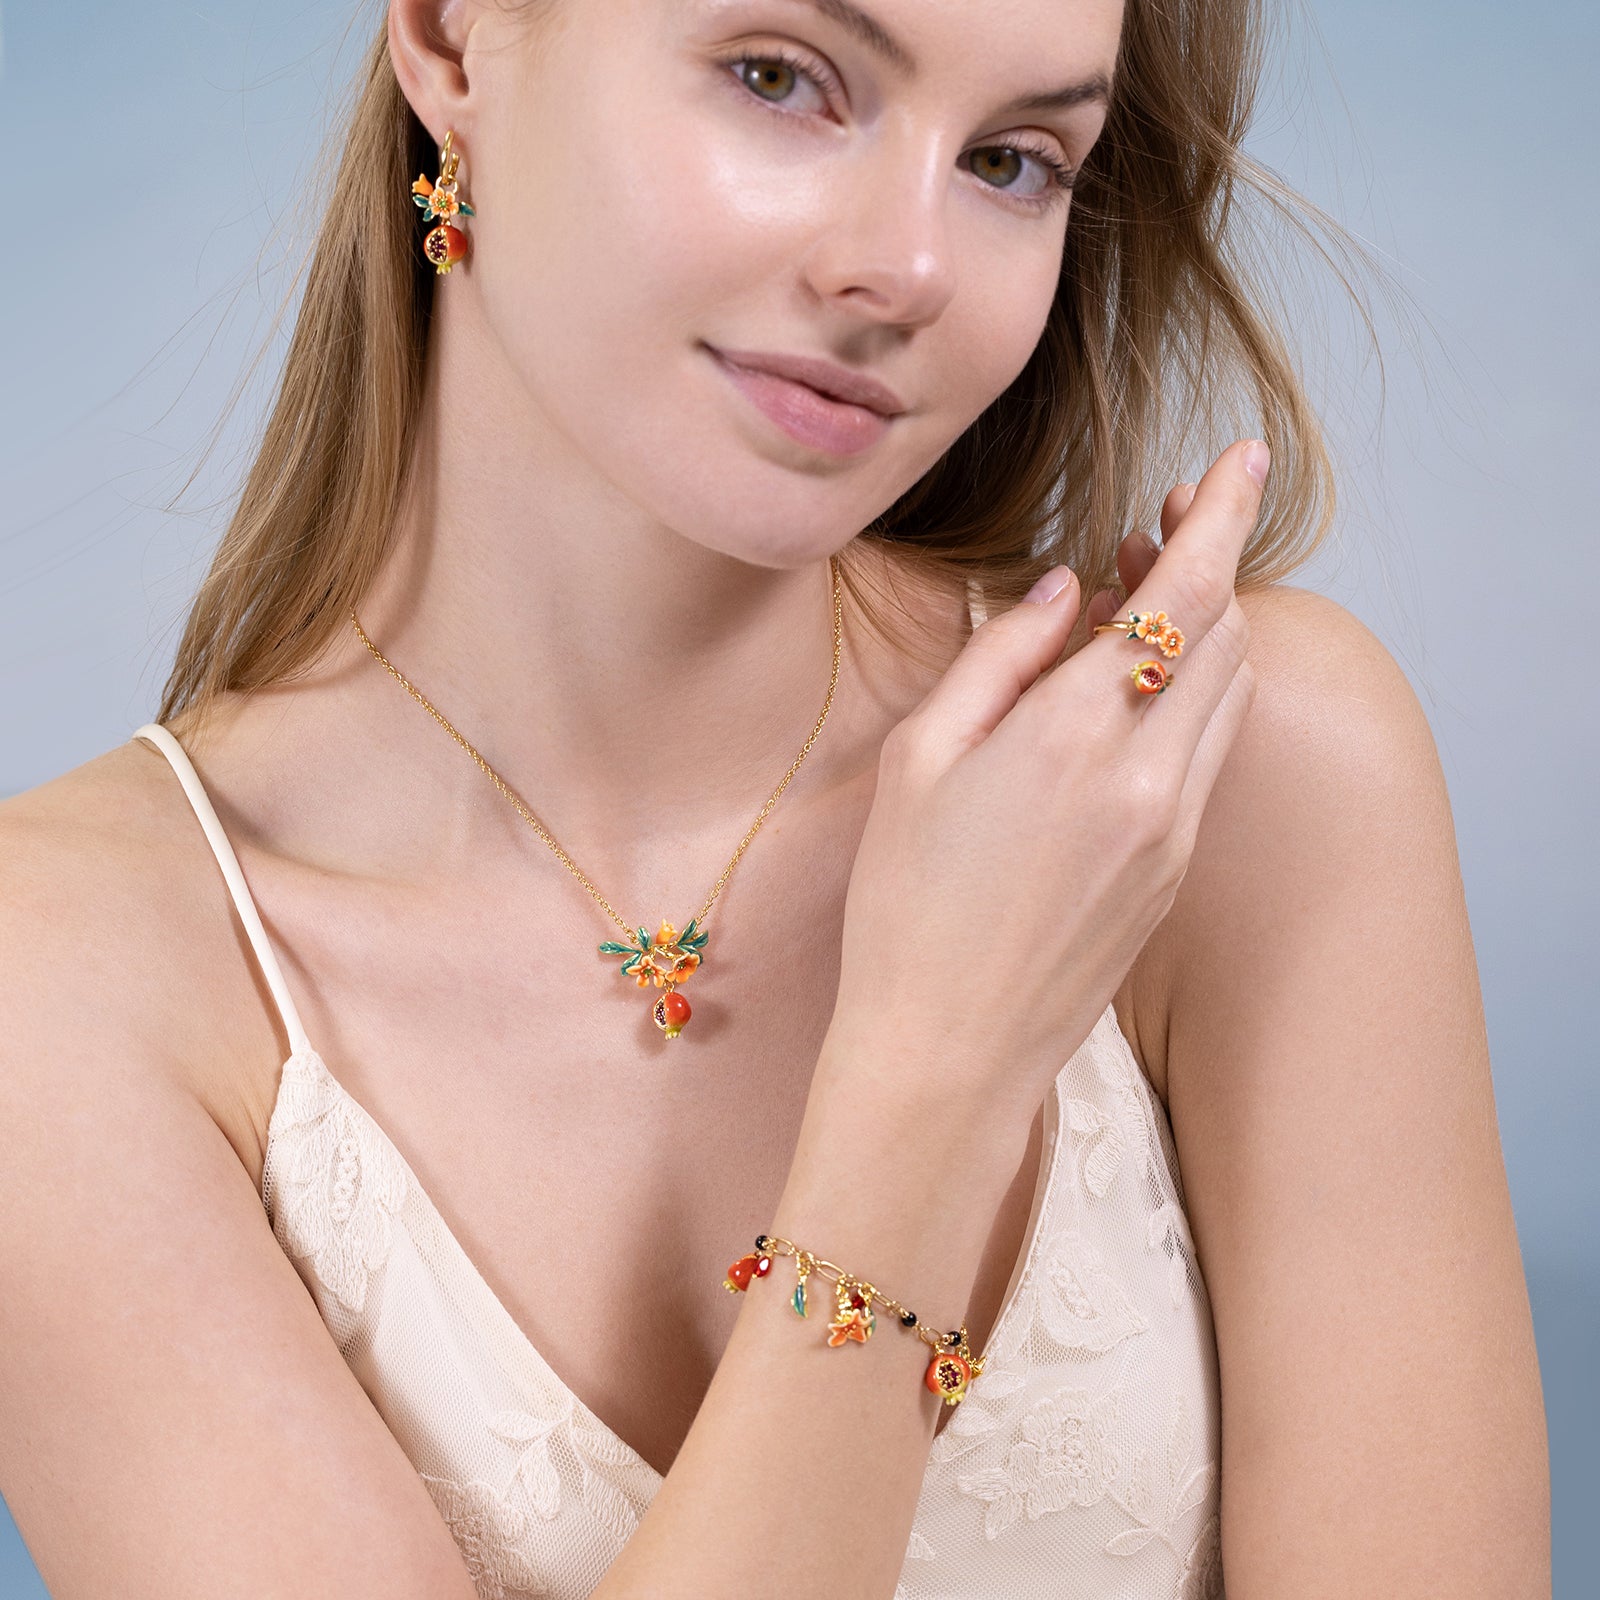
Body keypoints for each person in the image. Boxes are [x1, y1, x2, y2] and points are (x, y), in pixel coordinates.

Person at [0, 0, 1550, 1596]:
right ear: (454, 42)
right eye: (779, 79)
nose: (910, 266)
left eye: (1011, 161)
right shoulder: (60, 984)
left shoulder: (1227, 776)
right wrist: (936, 1079)